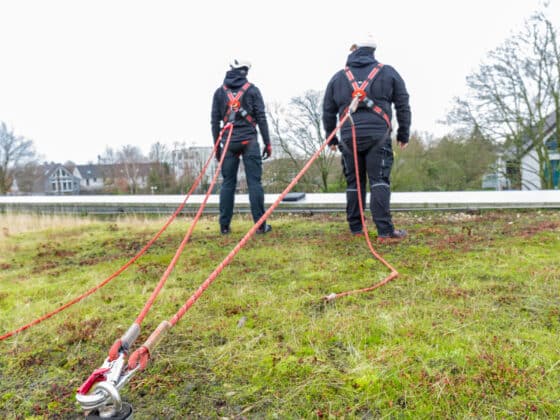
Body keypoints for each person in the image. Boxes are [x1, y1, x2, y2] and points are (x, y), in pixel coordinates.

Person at [322, 34, 411, 243]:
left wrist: (331, 139)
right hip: (377, 135)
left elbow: (327, 110)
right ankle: (385, 232)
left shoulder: (338, 77)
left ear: (353, 50)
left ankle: (356, 227)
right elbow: (403, 104)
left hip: (348, 135)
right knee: (379, 180)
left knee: (354, 181)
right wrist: (403, 133)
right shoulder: (388, 73)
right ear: (372, 51)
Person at [211, 59, 272, 235]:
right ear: (245, 71)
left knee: (228, 183)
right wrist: (267, 143)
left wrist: (217, 146)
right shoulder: (252, 90)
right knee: (254, 182)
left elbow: (214, 121)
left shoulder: (219, 93)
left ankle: (224, 226)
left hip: (228, 142)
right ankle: (260, 226)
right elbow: (261, 118)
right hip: (249, 141)